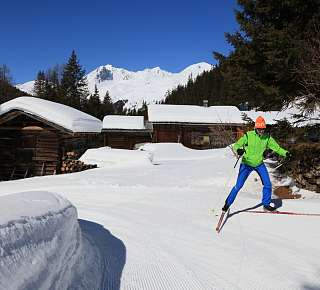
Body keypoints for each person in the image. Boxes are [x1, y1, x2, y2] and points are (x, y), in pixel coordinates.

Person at [222, 116, 291, 212]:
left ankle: (266, 204)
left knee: (267, 184)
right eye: (259, 129)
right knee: (239, 185)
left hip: (259, 164)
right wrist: (239, 150)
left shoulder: (267, 138)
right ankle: (227, 203)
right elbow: (236, 145)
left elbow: (277, 148)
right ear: (256, 128)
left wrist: (285, 153)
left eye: (263, 129)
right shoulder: (248, 135)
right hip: (246, 164)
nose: (261, 131)